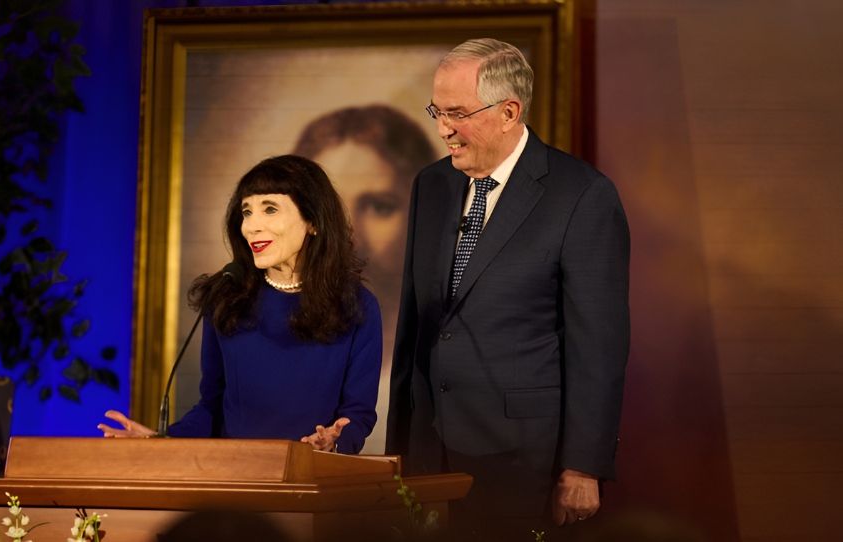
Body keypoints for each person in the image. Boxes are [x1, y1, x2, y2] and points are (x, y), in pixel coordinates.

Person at [385, 38, 630, 539]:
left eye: (457, 113)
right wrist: (400, 447)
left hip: (523, 459)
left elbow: (598, 347)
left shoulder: (581, 195)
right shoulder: (431, 185)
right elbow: (415, 325)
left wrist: (583, 466)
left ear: (509, 112)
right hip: (429, 449)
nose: (442, 129)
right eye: (437, 111)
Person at [99, 155, 382, 454]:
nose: (251, 226)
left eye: (269, 209)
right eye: (247, 211)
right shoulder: (227, 297)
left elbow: (358, 414)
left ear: (313, 221)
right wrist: (162, 440)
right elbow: (211, 409)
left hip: (312, 473)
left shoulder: (356, 306)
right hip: (235, 472)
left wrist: (334, 442)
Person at [293, 105, 436, 451]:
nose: (350, 234)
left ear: (420, 215)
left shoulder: (439, 356)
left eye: (379, 206)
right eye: (329, 211)